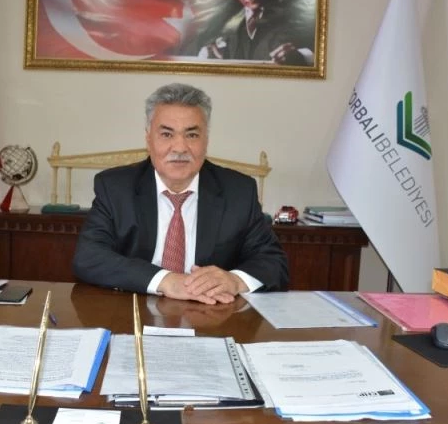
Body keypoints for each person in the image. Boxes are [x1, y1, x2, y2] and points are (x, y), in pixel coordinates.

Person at [72, 83, 289, 304]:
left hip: (212, 313)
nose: (180, 148)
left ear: (206, 140)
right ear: (148, 139)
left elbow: (273, 263)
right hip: (134, 310)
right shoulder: (115, 188)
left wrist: (234, 280)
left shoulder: (239, 192)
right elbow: (89, 257)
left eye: (192, 135)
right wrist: (165, 280)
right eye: (167, 134)